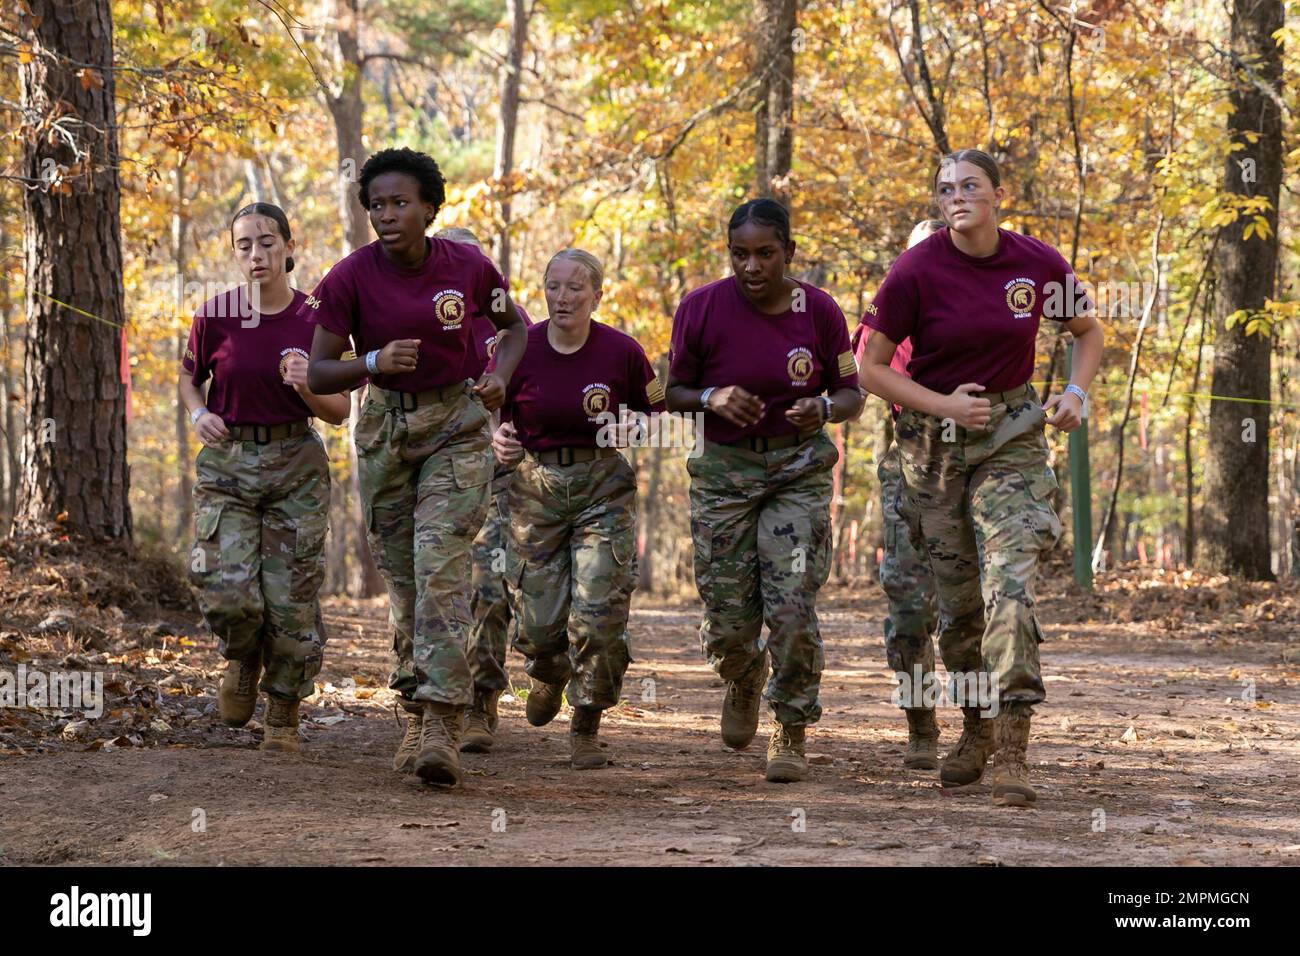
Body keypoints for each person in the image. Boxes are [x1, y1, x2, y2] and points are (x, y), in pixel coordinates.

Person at [858, 149, 1103, 806]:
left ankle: (1015, 742)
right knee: (959, 613)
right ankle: (977, 725)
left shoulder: (1037, 262)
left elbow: (1087, 329)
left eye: (969, 186)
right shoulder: (914, 270)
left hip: (1011, 434)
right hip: (933, 446)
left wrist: (1076, 393)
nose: (956, 197)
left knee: (1011, 585)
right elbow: (870, 369)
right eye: (945, 190)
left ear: (999, 192)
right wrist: (942, 405)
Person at [304, 148, 528, 787]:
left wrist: (497, 378)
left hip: (455, 428)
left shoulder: (469, 265)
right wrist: (372, 362)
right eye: (376, 204)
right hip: (385, 433)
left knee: (439, 570)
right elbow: (320, 370)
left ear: (430, 208)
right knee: (404, 584)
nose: (386, 214)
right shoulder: (348, 278)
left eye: (400, 203)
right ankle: (415, 707)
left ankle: (442, 720)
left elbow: (514, 332)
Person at [666, 198, 864, 783]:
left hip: (796, 470)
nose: (751, 266)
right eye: (739, 254)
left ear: (788, 253)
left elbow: (854, 394)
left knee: (791, 601)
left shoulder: (819, 311)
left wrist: (823, 405)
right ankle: (743, 673)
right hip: (724, 473)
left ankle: (791, 727)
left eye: (765, 254)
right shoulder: (700, 308)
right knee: (728, 618)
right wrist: (711, 397)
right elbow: (670, 391)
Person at [180, 202, 350, 753]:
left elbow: (339, 410)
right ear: (235, 253)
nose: (258, 254)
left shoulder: (316, 320)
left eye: (268, 241)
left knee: (290, 599)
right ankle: (240, 655)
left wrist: (306, 384)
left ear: (289, 247)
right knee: (228, 591)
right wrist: (197, 413)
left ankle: (283, 709)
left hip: (295, 466)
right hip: (228, 462)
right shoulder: (215, 315)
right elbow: (188, 377)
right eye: (245, 244)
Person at [491, 248, 665, 769]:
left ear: (596, 295)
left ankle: (587, 721)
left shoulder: (623, 351)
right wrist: (497, 439)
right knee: (538, 625)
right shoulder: (519, 346)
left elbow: (661, 415)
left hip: (601, 486)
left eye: (574, 288)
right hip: (534, 487)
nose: (562, 297)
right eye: (552, 286)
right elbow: (487, 411)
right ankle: (546, 668)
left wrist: (637, 427)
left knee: (599, 615)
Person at [433, 226, 532, 753]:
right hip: (438, 477)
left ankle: (484, 698)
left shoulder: (512, 327)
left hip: (504, 479)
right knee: (445, 587)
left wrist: (515, 434)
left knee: (493, 589)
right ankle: (441, 701)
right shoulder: (425, 322)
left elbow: (542, 394)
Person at [851, 219, 944, 770]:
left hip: (984, 460)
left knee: (974, 608)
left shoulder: (982, 310)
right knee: (909, 606)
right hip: (912, 462)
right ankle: (921, 723)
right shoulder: (887, 317)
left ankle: (983, 728)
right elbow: (858, 378)